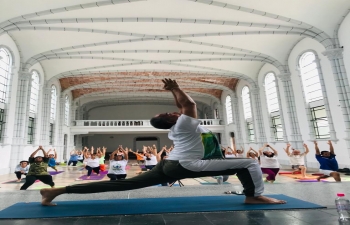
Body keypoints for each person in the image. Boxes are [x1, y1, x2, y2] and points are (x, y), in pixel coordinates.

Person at [40, 78, 285, 206]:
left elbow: (181, 106)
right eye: (168, 114)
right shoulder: (183, 124)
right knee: (249, 164)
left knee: (124, 186)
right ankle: (253, 195)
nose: (173, 112)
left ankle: (56, 191)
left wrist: (172, 92)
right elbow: (189, 105)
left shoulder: (180, 125)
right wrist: (177, 87)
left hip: (172, 164)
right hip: (187, 164)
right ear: (169, 122)